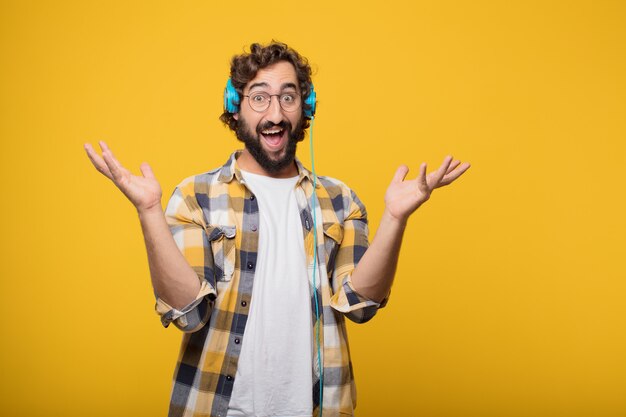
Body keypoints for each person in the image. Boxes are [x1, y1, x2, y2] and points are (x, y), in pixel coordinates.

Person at [84, 41, 470, 417]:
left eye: (288, 97)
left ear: (306, 109)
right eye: (259, 97)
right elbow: (188, 314)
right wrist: (149, 210)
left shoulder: (339, 200)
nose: (275, 113)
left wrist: (396, 217)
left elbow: (360, 305)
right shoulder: (195, 196)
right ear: (235, 109)